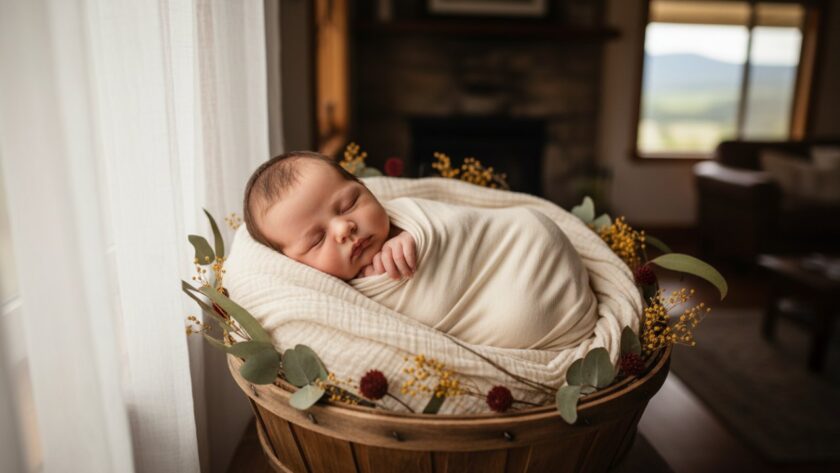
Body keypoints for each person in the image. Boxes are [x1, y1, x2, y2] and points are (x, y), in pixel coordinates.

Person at [243, 151, 417, 281]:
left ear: (364, 186)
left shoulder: (410, 217)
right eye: (317, 239)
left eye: (348, 205)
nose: (343, 228)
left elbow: (440, 221)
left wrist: (414, 235)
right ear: (294, 263)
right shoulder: (330, 296)